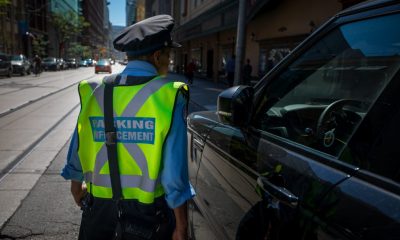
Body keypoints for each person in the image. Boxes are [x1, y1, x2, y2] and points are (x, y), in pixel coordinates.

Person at [61, 14, 194, 240]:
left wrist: (76, 186)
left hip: (98, 210)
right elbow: (174, 172)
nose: (169, 61)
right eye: (168, 55)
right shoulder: (170, 94)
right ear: (157, 55)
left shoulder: (93, 90)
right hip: (150, 215)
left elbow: (79, 143)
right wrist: (181, 225)